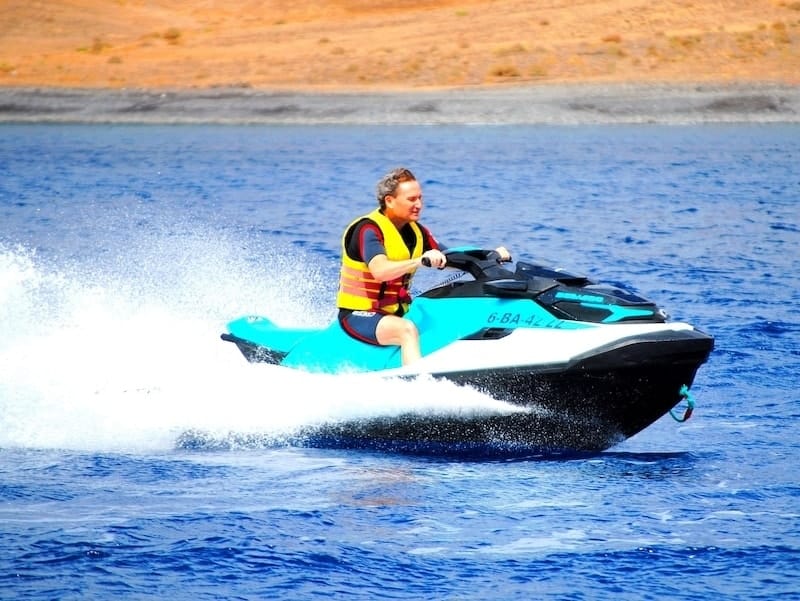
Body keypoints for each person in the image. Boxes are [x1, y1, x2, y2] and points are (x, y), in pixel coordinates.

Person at [336, 167, 511, 365]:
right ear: (390, 201)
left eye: (420, 198)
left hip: (398, 311)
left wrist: (491, 255)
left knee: (446, 314)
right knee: (406, 330)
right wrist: (418, 261)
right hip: (358, 315)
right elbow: (380, 271)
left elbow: (453, 257)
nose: (418, 205)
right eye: (411, 199)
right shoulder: (368, 230)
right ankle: (418, 387)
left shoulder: (417, 232)